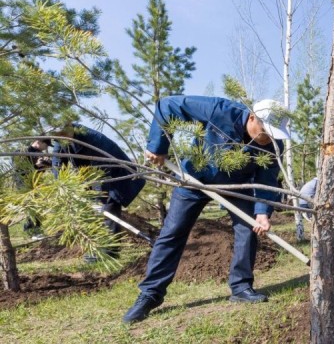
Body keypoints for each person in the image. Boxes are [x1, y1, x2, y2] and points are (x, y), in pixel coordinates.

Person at [122, 96, 289, 323]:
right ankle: (150, 294)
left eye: (273, 134)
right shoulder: (220, 111)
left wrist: (262, 212)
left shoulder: (272, 145)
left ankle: (241, 287)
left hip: (236, 186)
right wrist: (157, 146)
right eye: (265, 131)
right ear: (252, 117)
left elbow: (267, 179)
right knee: (173, 232)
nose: (268, 138)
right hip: (195, 179)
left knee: (249, 228)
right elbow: (167, 106)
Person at [50, 123, 146, 256]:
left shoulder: (93, 139)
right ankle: (94, 248)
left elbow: (101, 171)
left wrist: (98, 197)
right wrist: (60, 185)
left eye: (63, 135)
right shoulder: (60, 139)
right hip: (90, 175)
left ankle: (109, 251)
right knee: (88, 210)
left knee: (108, 207)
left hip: (116, 174)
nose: (61, 139)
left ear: (70, 128)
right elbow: (57, 163)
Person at [17, 139, 53, 239]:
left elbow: (39, 170)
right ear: (39, 142)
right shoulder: (22, 152)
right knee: (32, 208)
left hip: (36, 184)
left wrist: (46, 165)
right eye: (46, 145)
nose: (46, 148)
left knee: (38, 208)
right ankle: (31, 232)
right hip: (25, 185)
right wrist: (36, 165)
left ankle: (35, 230)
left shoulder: (39, 154)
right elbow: (20, 170)